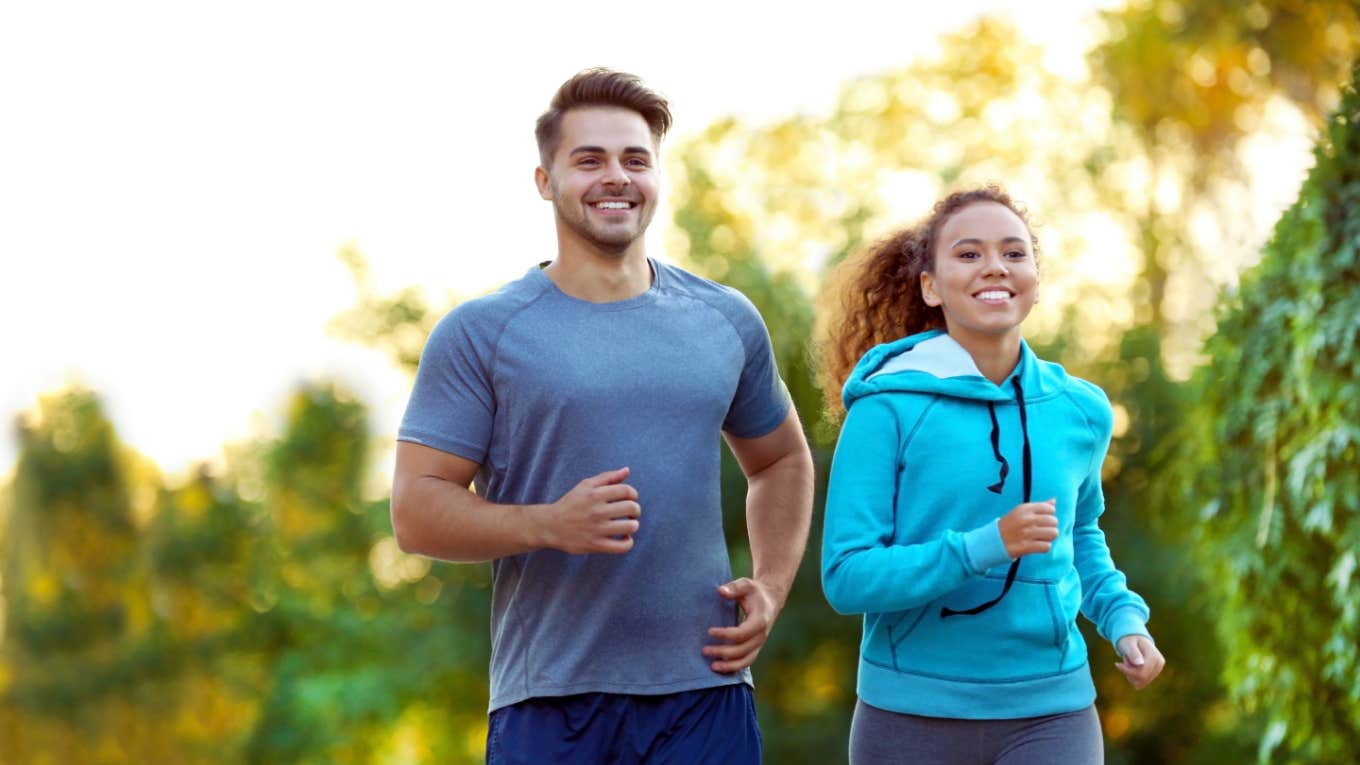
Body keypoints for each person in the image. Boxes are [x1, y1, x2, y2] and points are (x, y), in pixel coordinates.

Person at [391, 68, 814, 765]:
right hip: (550, 703)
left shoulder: (725, 319)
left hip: (706, 692)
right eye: (589, 159)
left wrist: (769, 585)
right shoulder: (482, 333)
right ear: (544, 180)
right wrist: (547, 523)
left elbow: (781, 460)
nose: (615, 177)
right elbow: (414, 511)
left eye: (635, 159)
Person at [816, 186, 1164, 764]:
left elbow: (1080, 538)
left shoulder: (1081, 410)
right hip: (909, 715)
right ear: (931, 285)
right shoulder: (886, 408)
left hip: (1054, 712)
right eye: (969, 254)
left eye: (1014, 252)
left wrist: (1125, 620)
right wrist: (987, 545)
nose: (995, 266)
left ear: (1034, 276)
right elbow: (847, 577)